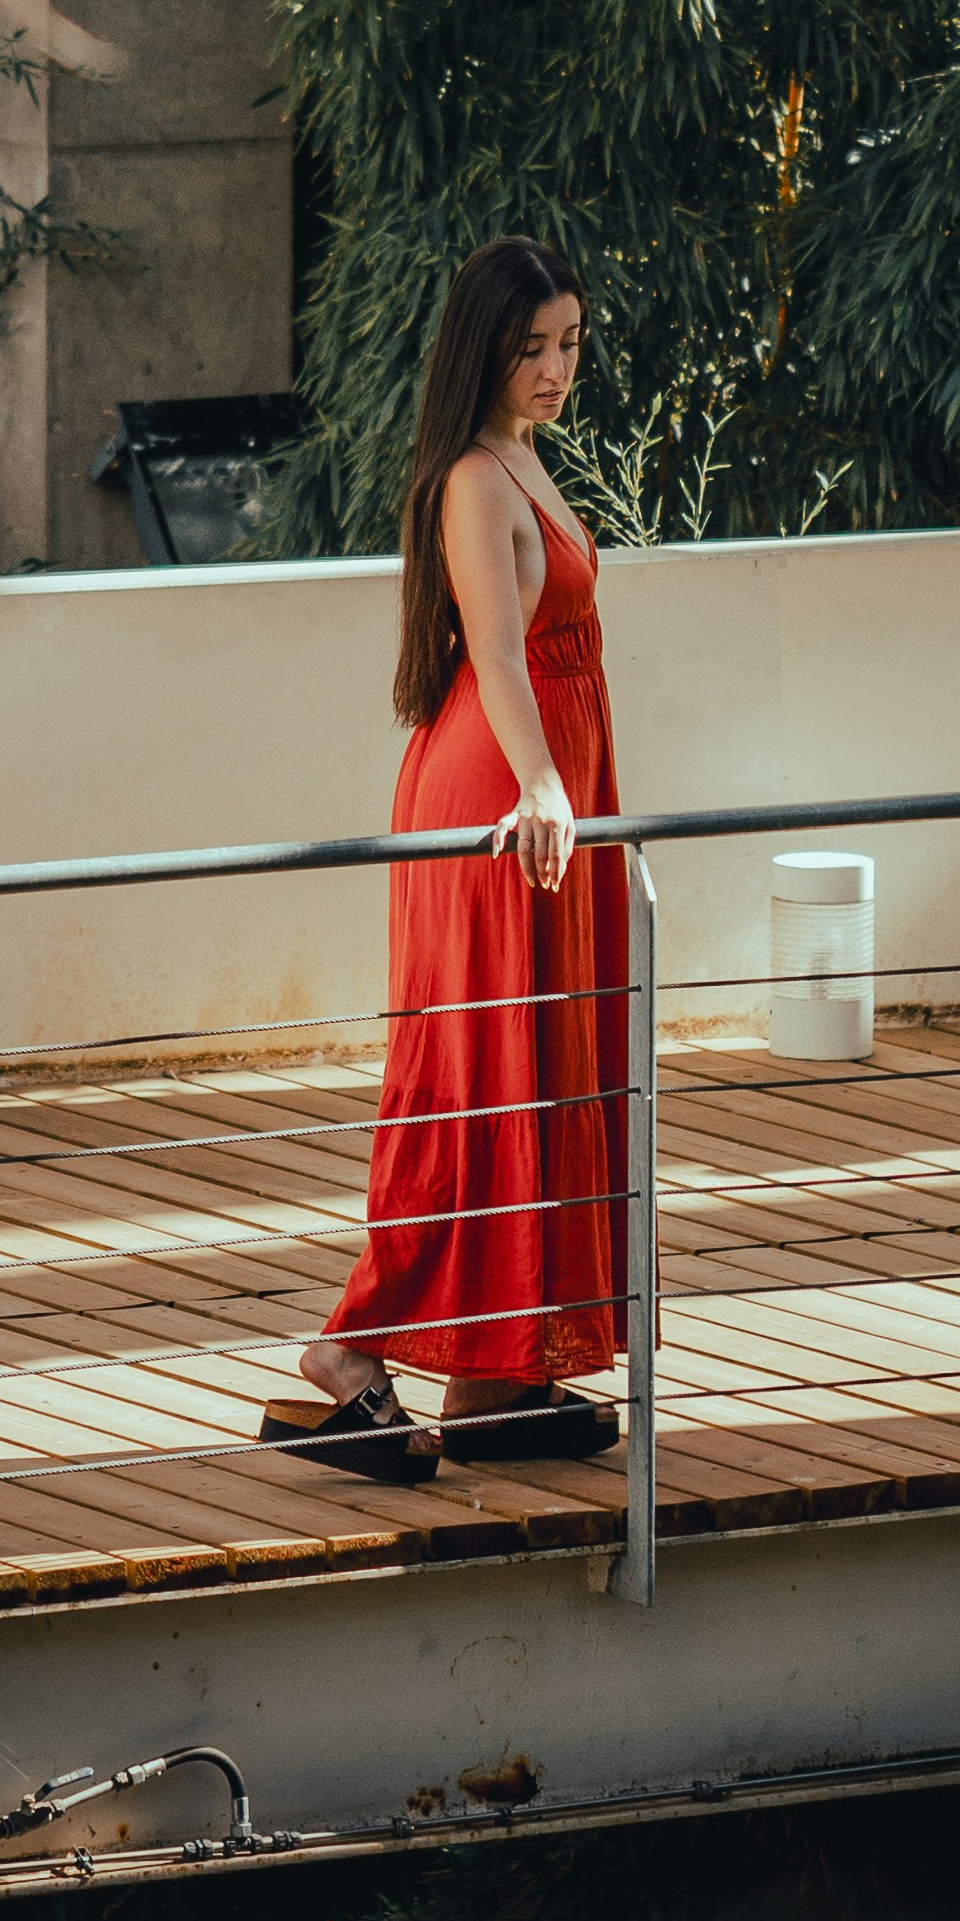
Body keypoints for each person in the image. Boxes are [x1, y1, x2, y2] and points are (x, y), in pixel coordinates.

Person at [260, 237, 627, 1484]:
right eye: (532, 345)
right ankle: (349, 1351)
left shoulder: (523, 457)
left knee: (536, 1061)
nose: (555, 367)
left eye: (570, 341)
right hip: (497, 793)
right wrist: (537, 784)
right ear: (483, 346)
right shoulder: (477, 478)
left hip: (535, 785)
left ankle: (494, 1366)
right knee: (476, 1066)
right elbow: (502, 654)